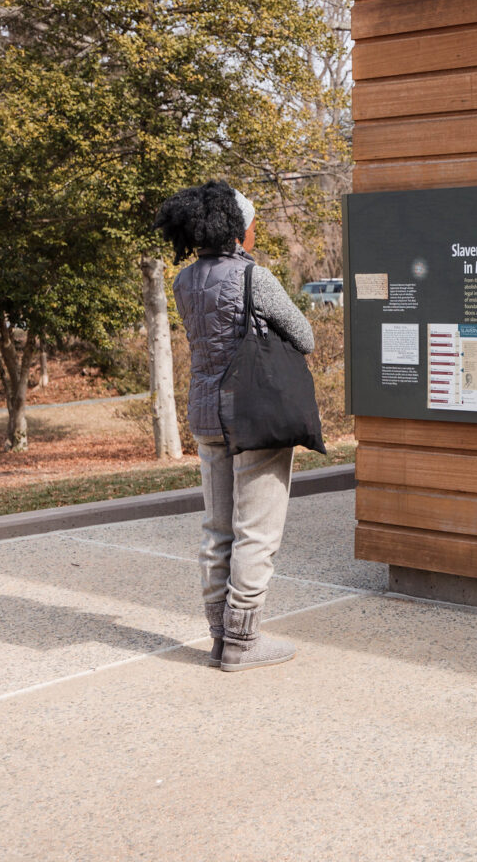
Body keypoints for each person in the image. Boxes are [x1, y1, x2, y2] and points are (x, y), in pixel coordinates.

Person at [153, 181, 315, 671]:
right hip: (253, 414)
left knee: (217, 528)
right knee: (257, 533)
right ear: (238, 228)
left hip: (205, 416)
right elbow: (304, 337)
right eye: (252, 224)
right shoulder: (255, 278)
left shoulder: (183, 281)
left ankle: (219, 639)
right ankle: (244, 644)